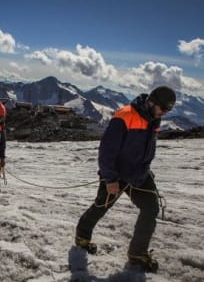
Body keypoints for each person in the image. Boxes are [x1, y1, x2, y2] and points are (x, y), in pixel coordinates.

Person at [75, 86, 176, 272]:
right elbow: (107, 150)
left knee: (151, 207)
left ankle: (137, 253)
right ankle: (82, 237)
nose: (164, 113)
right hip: (116, 175)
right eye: (163, 108)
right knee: (101, 206)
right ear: (152, 102)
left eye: (167, 110)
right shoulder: (125, 116)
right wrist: (110, 178)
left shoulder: (154, 118)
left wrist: (145, 169)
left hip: (139, 175)